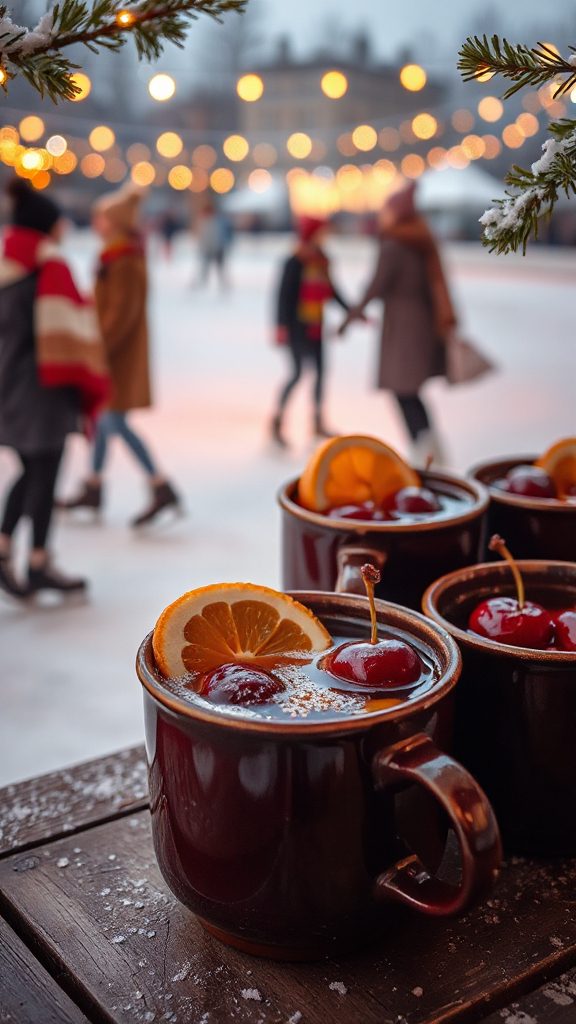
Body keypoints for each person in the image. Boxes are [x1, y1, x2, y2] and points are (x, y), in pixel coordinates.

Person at [0, 179, 109, 599]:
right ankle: (38, 562)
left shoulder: (10, 267)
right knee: (44, 474)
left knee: (32, 471)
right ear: (46, 227)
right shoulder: (49, 268)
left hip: (12, 386)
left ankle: (11, 549)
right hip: (44, 391)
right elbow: (71, 334)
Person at [60, 184, 180, 527]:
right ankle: (94, 485)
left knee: (113, 421)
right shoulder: (116, 254)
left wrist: (98, 348)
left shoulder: (124, 258)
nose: (96, 222)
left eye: (101, 217)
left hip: (116, 356)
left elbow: (121, 312)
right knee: (104, 420)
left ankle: (160, 485)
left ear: (113, 222)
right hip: (113, 352)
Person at [339, 182, 457, 463]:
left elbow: (376, 286)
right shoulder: (419, 239)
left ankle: (423, 450)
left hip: (404, 329)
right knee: (410, 391)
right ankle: (429, 447)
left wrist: (350, 317)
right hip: (421, 325)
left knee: (403, 390)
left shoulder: (395, 244)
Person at [271, 216, 349, 447]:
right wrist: (281, 327)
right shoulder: (294, 262)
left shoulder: (322, 261)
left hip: (316, 326)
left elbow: (332, 291)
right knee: (296, 374)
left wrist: (351, 311)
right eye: (320, 233)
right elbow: (283, 297)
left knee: (321, 373)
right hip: (297, 328)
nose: (324, 238)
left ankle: (317, 421)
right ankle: (277, 421)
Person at [194, 198, 233, 289]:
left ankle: (222, 283)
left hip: (217, 248)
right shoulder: (205, 222)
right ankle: (203, 282)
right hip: (210, 248)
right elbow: (203, 237)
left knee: (219, 268)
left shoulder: (215, 222)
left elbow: (216, 236)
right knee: (206, 267)